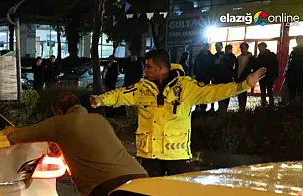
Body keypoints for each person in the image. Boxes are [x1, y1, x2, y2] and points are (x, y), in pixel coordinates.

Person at [91, 48, 266, 177]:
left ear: (161, 68)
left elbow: (214, 92)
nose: (145, 70)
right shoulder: (142, 88)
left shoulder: (186, 86)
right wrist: (100, 100)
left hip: (176, 155)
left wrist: (243, 86)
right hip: (149, 154)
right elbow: (120, 95)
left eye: (149, 67)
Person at [4, 93, 147, 196]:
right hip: (138, 175)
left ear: (59, 112)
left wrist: (10, 132)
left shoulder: (60, 123)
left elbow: (22, 136)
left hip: (108, 184)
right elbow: (87, 144)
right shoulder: (98, 119)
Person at [285, 36, 303, 105]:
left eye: (299, 40)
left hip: (300, 73)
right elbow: (290, 63)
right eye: (297, 40)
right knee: (293, 90)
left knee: (299, 90)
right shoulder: (295, 51)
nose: (298, 41)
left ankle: (298, 105)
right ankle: (293, 104)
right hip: (293, 73)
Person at [213, 44, 237, 113]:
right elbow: (217, 66)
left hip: (228, 78)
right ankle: (220, 107)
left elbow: (232, 64)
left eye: (229, 49)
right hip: (221, 78)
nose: (227, 50)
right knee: (220, 92)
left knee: (227, 93)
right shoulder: (222, 56)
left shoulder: (232, 57)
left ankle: (224, 108)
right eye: (226, 49)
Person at [255, 42, 279, 107]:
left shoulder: (270, 55)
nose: (260, 49)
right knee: (263, 90)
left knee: (269, 90)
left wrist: (274, 74)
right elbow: (256, 66)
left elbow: (275, 66)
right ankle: (264, 103)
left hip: (269, 76)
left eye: (261, 48)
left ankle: (271, 104)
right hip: (262, 76)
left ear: (265, 47)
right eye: (259, 48)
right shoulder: (259, 57)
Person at [192, 44, 215, 112]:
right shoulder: (198, 56)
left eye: (206, 47)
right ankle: (197, 106)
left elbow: (212, 67)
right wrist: (195, 74)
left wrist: (211, 76)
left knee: (205, 92)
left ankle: (203, 106)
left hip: (206, 77)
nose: (204, 48)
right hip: (199, 76)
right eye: (203, 47)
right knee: (198, 92)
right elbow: (195, 65)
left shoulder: (211, 57)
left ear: (207, 48)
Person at [235, 42, 255, 111]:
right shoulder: (239, 58)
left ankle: (243, 107)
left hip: (245, 77)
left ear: (247, 48)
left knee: (244, 92)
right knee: (239, 92)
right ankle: (240, 106)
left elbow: (252, 67)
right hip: (239, 77)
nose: (242, 49)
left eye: (244, 48)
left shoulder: (250, 58)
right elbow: (236, 68)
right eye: (241, 48)